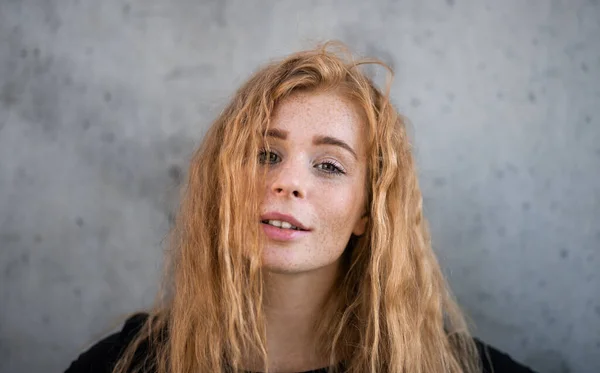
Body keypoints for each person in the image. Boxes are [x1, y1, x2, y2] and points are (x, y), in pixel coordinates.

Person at [65, 42, 538, 373]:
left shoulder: (457, 367)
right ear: (221, 185)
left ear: (368, 213)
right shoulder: (123, 364)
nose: (287, 182)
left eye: (329, 165)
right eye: (265, 154)